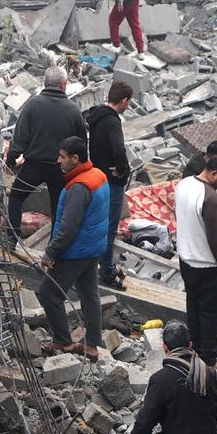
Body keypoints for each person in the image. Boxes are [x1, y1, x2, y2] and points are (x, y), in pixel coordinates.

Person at [36, 137, 110, 358]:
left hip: (77, 250)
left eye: (62, 157)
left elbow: (68, 228)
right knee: (89, 294)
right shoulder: (98, 175)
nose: (59, 161)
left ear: (75, 159)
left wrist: (51, 252)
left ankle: (62, 341)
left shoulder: (78, 187)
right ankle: (92, 345)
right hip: (93, 246)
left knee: (48, 293)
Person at [4, 66, 87, 242]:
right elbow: (81, 145)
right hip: (61, 168)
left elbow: (20, 139)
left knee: (17, 196)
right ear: (63, 85)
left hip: (34, 165)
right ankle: (54, 248)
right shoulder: (73, 110)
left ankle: (12, 238)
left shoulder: (32, 105)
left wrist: (11, 159)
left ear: (45, 83)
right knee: (59, 206)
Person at [174, 154, 217, 363]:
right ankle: (208, 357)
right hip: (208, 265)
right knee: (212, 314)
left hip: (186, 259)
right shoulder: (211, 198)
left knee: (194, 305)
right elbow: (216, 238)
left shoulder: (184, 184)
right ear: (214, 173)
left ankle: (196, 346)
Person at [84, 80, 133, 288]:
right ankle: (106, 270)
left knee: (96, 223)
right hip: (111, 182)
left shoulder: (96, 117)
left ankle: (94, 266)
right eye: (128, 102)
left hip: (96, 176)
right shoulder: (113, 121)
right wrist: (122, 169)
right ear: (123, 100)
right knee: (110, 227)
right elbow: (119, 150)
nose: (128, 106)